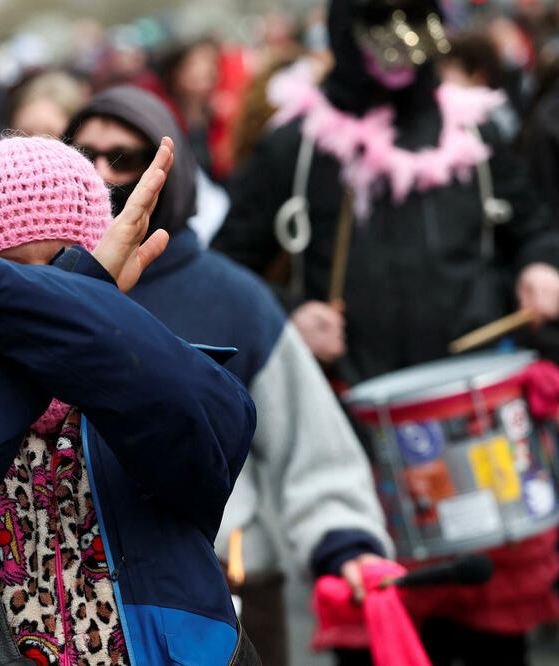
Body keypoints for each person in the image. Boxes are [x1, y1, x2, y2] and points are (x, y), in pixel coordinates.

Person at [212, 0, 559, 661]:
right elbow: (225, 264)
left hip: (477, 440)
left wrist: (542, 264)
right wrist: (289, 314)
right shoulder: (300, 145)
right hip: (357, 448)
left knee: (494, 644)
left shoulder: (476, 131)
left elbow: (534, 227)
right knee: (378, 642)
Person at [0, 136, 261, 664]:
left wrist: (10, 294)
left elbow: (208, 430)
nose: (38, 288)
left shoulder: (160, 376)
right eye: (11, 270)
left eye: (61, 265)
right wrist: (83, 286)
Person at [65, 85, 393, 666]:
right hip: (85, 599)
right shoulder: (45, 297)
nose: (99, 173)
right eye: (81, 153)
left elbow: (313, 447)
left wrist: (346, 542)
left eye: (123, 156)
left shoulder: (235, 298)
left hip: (230, 590)